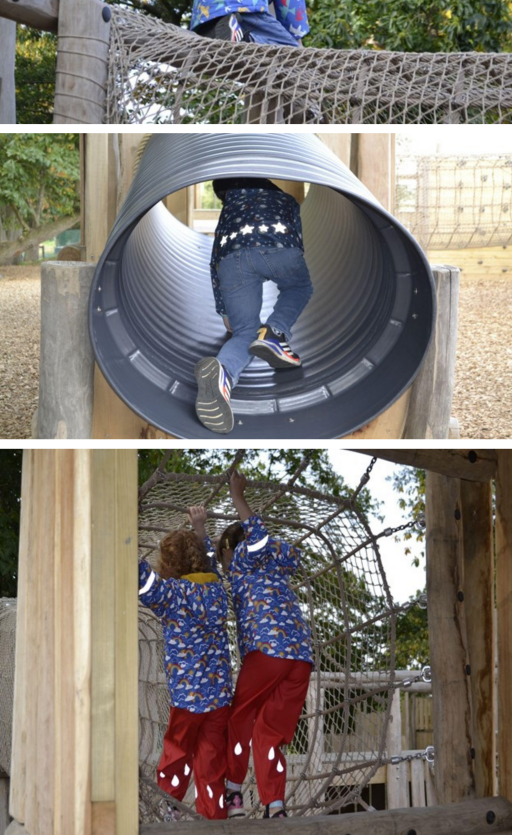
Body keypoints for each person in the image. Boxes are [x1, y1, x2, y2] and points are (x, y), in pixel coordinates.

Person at [217, 470, 314, 819]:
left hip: (268, 650)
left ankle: (233, 794)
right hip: (300, 657)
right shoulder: (278, 560)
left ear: (231, 548)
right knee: (269, 731)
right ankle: (275, 805)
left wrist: (237, 498)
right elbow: (287, 552)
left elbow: (254, 541)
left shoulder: (243, 556)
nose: (224, 568)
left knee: (240, 718)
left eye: (222, 557)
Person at [194, 177, 314, 434]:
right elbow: (298, 241)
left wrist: (224, 311)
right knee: (298, 287)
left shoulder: (230, 208)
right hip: (279, 245)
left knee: (245, 331)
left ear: (225, 193)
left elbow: (214, 258)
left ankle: (223, 375)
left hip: (232, 258)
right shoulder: (287, 199)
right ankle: (275, 332)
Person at [138, 506, 233, 820]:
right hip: (219, 697)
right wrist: (201, 529)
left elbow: (147, 585)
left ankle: (171, 809)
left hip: (188, 696)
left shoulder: (172, 594)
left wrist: (128, 549)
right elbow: (210, 564)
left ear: (168, 564)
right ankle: (214, 816)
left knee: (178, 752)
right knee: (211, 761)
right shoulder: (217, 590)